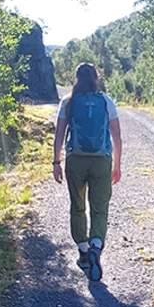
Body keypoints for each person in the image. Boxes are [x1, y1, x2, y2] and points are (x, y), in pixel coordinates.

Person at [53, 63, 123, 282]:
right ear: (96, 78)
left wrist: (56, 162)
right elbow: (117, 137)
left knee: (78, 206)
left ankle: (83, 251)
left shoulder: (68, 102)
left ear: (76, 78)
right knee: (100, 209)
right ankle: (96, 245)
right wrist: (117, 165)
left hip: (75, 160)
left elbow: (59, 135)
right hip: (101, 160)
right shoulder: (106, 101)